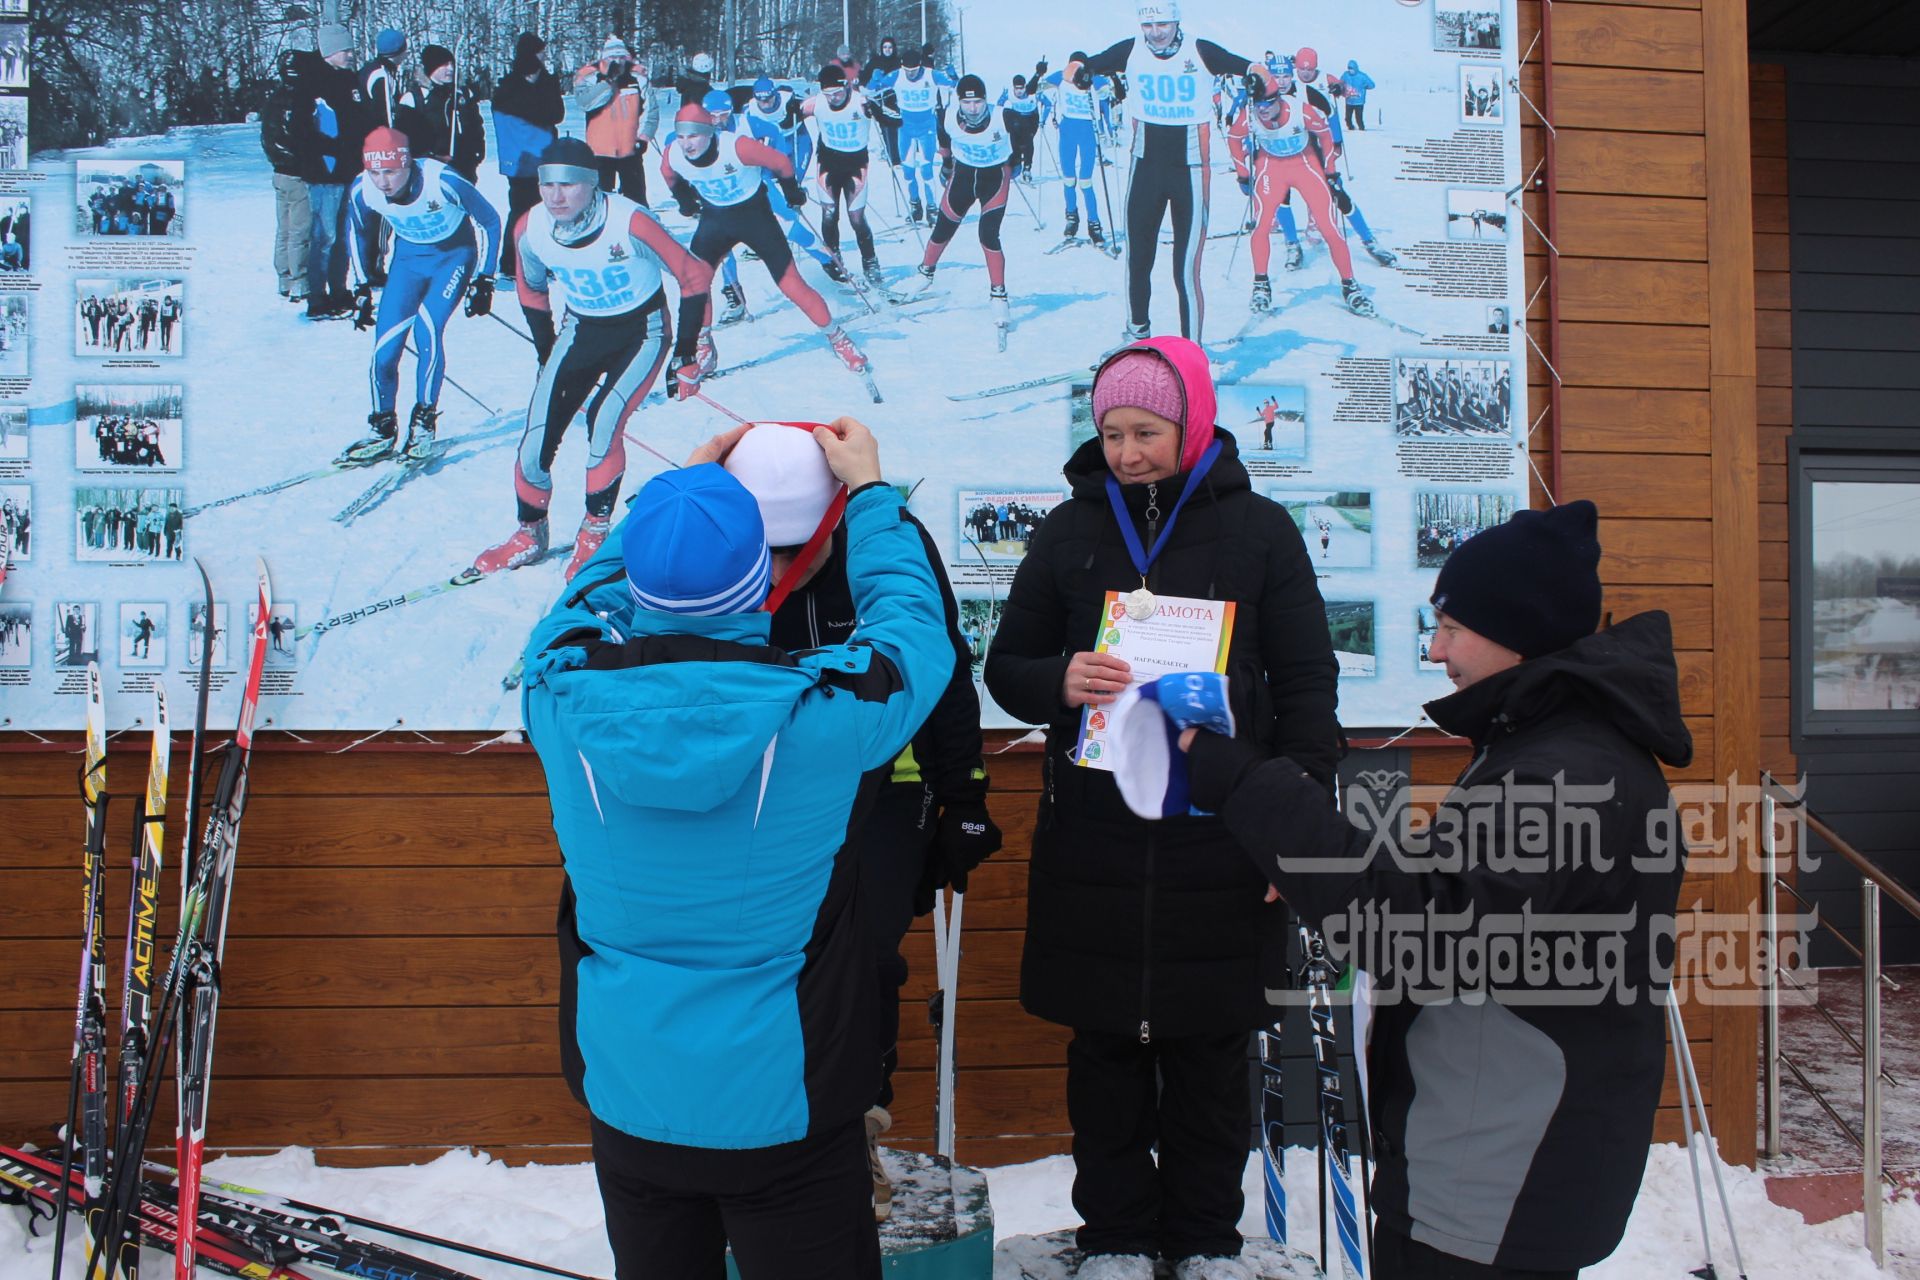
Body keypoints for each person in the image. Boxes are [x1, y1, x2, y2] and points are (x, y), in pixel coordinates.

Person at [1175, 501, 1692, 1279]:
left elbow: (1419, 930)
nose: (1438, 646)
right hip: (1497, 1152)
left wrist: (1250, 785)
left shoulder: (1567, 771)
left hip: (1499, 1169)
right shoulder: (1551, 746)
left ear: (1519, 628)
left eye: (1453, 626)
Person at [520, 418, 955, 1280]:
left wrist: (672, 500)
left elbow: (573, 612)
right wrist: (869, 493)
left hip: (632, 1099)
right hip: (782, 1107)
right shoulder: (823, 720)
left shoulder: (555, 698)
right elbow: (912, 630)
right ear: (763, 587)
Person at [984, 336, 1339, 1280]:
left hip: (1221, 843)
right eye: (1111, 433)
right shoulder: (1067, 533)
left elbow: (1309, 690)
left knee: (1210, 1060)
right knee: (1102, 1059)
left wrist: (1293, 839)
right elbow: (1006, 667)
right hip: (1095, 844)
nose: (1129, 452)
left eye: (1146, 430)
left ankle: (1205, 1241)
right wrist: (1059, 677)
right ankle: (1116, 1240)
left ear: (1194, 422)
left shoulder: (1262, 531)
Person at [715, 422, 1001, 1223]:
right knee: (778, 966)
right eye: (761, 545)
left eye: (793, 543)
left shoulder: (887, 540)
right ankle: (770, 1142)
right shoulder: (717, 544)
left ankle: (855, 1136)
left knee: (867, 963)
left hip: (883, 793)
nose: (776, 566)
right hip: (767, 797)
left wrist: (965, 795)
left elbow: (938, 666)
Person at [473, 137, 712, 581]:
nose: (555, 196)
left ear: (593, 185)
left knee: (603, 424)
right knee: (534, 441)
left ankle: (594, 531)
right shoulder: (531, 227)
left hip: (642, 333)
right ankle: (529, 533)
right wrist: (546, 350)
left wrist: (686, 354)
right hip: (581, 329)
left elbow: (692, 275)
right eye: (547, 184)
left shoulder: (630, 221)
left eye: (569, 185)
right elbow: (531, 289)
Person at [1078, 4, 1274, 341]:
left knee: (1185, 270)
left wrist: (1259, 79)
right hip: (1145, 169)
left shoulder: (1200, 50)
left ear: (1177, 21)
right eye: (1149, 24)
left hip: (1191, 173)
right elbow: (1084, 65)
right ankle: (1137, 335)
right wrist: (1078, 70)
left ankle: (1192, 352)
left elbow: (1251, 67)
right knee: (1138, 260)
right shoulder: (1131, 50)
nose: (1156, 32)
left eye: (1163, 23)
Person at [659, 104, 870, 382]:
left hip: (754, 217)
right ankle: (703, 344)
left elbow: (781, 162)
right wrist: (684, 199)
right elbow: (668, 173)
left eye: (694, 136)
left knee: (791, 285)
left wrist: (792, 191)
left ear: (709, 132)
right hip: (715, 220)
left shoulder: (737, 147)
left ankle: (838, 337)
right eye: (682, 136)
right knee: (695, 284)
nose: (687, 144)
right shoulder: (674, 153)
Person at [339, 126, 501, 466]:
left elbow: (489, 221)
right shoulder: (363, 189)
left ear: (407, 164)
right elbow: (355, 231)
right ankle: (382, 426)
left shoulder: (442, 180)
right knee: (384, 351)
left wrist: (484, 278)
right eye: (375, 172)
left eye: (391, 172)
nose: (383, 182)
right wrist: (361, 286)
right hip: (408, 262)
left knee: (427, 331)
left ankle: (423, 421)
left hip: (453, 257)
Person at [1227, 62, 1376, 318]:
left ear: (1278, 99)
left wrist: (1329, 169)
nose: (1262, 112)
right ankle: (1261, 284)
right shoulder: (1250, 112)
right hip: (1271, 167)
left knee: (1329, 227)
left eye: (1267, 106)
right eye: (1258, 107)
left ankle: (1350, 285)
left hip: (1304, 164)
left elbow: (1326, 135)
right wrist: (1243, 174)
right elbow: (1233, 138)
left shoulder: (1301, 110)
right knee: (1261, 225)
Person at [913, 75, 1013, 342]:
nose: (973, 108)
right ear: (959, 102)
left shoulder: (1002, 116)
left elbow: (1027, 131)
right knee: (944, 226)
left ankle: (998, 295)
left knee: (988, 234)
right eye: (967, 102)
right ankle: (925, 273)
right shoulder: (946, 116)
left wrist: (1019, 158)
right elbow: (943, 138)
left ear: (985, 101)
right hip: (964, 177)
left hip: (994, 180)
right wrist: (946, 163)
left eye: (978, 102)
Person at [293, 25, 361, 319]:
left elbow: (358, 121)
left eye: (350, 49)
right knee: (325, 236)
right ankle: (317, 296)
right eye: (345, 50)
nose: (350, 54)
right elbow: (301, 132)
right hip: (324, 173)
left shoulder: (349, 81)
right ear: (329, 51)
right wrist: (333, 150)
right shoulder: (309, 84)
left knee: (344, 236)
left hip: (348, 170)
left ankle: (339, 289)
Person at [802, 64, 888, 287]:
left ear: (846, 86)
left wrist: (878, 111)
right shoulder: (818, 103)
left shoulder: (860, 102)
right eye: (828, 94)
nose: (834, 99)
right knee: (829, 214)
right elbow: (786, 117)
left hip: (855, 165)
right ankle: (834, 258)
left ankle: (870, 262)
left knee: (856, 217)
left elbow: (893, 121)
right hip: (828, 165)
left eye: (838, 93)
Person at [740, 76, 837, 272]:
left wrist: (799, 110)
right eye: (761, 100)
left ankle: (794, 234)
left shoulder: (787, 98)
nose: (766, 103)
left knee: (792, 190)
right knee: (765, 192)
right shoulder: (750, 108)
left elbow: (816, 104)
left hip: (797, 143)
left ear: (775, 94)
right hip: (774, 148)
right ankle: (777, 235)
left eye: (769, 99)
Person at [491, 32, 566, 280]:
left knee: (543, 210)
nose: (544, 56)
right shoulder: (510, 87)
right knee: (523, 210)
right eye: (540, 51)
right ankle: (512, 262)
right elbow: (543, 112)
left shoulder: (541, 82)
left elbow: (555, 114)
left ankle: (535, 260)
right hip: (524, 157)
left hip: (539, 154)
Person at [866, 46, 954, 225]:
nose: (911, 74)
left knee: (927, 169)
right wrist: (874, 81)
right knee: (907, 169)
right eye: (907, 71)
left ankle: (932, 207)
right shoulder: (897, 75)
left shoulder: (931, 75)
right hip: (905, 128)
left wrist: (953, 77)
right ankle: (915, 205)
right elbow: (869, 92)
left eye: (914, 71)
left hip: (927, 127)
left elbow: (956, 86)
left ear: (920, 66)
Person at [1039, 52, 1112, 246]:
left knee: (1086, 181)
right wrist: (1040, 76)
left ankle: (1094, 224)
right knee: (1069, 178)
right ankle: (1072, 218)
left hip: (1087, 131)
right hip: (1068, 131)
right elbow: (1040, 88)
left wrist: (1098, 76)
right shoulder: (1061, 76)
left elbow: (1106, 90)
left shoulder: (1093, 78)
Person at [575, 35, 658, 203]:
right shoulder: (590, 76)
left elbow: (651, 110)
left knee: (636, 198)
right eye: (613, 57)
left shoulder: (637, 77)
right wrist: (608, 82)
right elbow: (585, 103)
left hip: (630, 148)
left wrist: (643, 137)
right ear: (604, 58)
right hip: (599, 150)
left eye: (622, 57)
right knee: (601, 199)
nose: (618, 61)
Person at [261, 49, 313, 302]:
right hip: (296, 173)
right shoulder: (300, 100)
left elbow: (268, 137)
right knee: (299, 232)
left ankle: (283, 278)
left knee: (284, 230)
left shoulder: (275, 98)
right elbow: (300, 137)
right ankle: (299, 282)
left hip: (279, 171)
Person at [413, 45, 486, 182]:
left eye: (452, 64)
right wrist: (431, 156)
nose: (451, 69)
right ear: (432, 68)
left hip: (465, 166)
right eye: (444, 65)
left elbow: (476, 124)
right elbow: (410, 138)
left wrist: (477, 151)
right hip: (432, 168)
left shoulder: (462, 94)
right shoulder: (417, 98)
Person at [999, 75, 1047, 183]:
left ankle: (1027, 168)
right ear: (1013, 88)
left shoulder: (1033, 94)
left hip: (1031, 120)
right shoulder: (1009, 94)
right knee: (1014, 140)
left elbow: (1047, 104)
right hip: (1016, 119)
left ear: (1025, 87)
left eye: (1022, 88)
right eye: (1017, 88)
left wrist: (1043, 120)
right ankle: (1014, 164)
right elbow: (999, 105)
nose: (1019, 91)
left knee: (1027, 142)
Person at [863, 36, 903, 165]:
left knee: (894, 127)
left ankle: (895, 156)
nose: (887, 50)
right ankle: (890, 153)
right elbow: (864, 79)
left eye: (890, 47)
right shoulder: (875, 62)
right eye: (885, 47)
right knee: (885, 127)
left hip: (894, 100)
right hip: (878, 101)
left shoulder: (899, 62)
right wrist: (873, 81)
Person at [1340, 59, 1373, 131]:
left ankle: (1362, 130)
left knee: (1359, 118)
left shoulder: (1362, 76)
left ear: (1355, 68)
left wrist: (1365, 86)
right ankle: (1351, 129)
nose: (1350, 70)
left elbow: (1372, 85)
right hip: (1349, 101)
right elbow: (1340, 83)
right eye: (1349, 68)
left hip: (1359, 101)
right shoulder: (1345, 75)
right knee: (1347, 118)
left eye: (1351, 68)